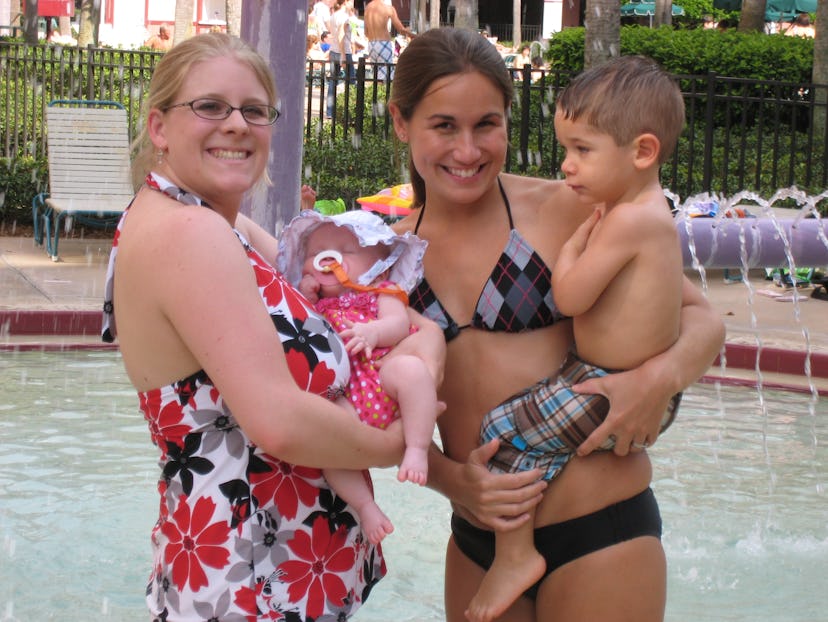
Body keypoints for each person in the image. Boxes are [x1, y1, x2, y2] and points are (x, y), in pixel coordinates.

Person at [101, 32, 444, 620]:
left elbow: (380, 306)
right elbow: (278, 422)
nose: (236, 124)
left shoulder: (212, 224)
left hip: (244, 564)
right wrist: (397, 447)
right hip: (247, 577)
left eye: (254, 111)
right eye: (210, 106)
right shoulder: (192, 234)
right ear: (159, 127)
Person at [387, 28, 725, 622]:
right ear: (401, 122)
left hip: (599, 532)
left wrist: (657, 380)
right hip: (480, 541)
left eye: (486, 124)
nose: (468, 150)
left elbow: (703, 322)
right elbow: (371, 416)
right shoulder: (387, 257)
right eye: (444, 126)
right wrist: (452, 482)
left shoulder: (566, 210)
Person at [465, 55, 687, 622]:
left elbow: (569, 298)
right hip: (591, 384)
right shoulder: (633, 211)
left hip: (604, 389)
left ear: (641, 152)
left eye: (582, 151)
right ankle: (511, 553)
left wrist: (566, 253)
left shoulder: (625, 220)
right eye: (566, 149)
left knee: (496, 429)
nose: (567, 166)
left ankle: (515, 556)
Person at [277, 209, 439, 543]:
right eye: (312, 255)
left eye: (345, 252)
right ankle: (366, 506)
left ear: (380, 264)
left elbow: (396, 325)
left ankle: (418, 447)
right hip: (345, 396)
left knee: (413, 371)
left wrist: (373, 332)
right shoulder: (317, 304)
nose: (325, 259)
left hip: (381, 374)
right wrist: (306, 295)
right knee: (329, 446)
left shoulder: (382, 291)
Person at [364, 0, 413, 81]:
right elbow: (401, 30)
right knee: (387, 76)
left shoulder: (368, 8)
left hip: (371, 44)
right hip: (384, 43)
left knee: (376, 76)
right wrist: (412, 34)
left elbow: (366, 32)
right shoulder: (388, 8)